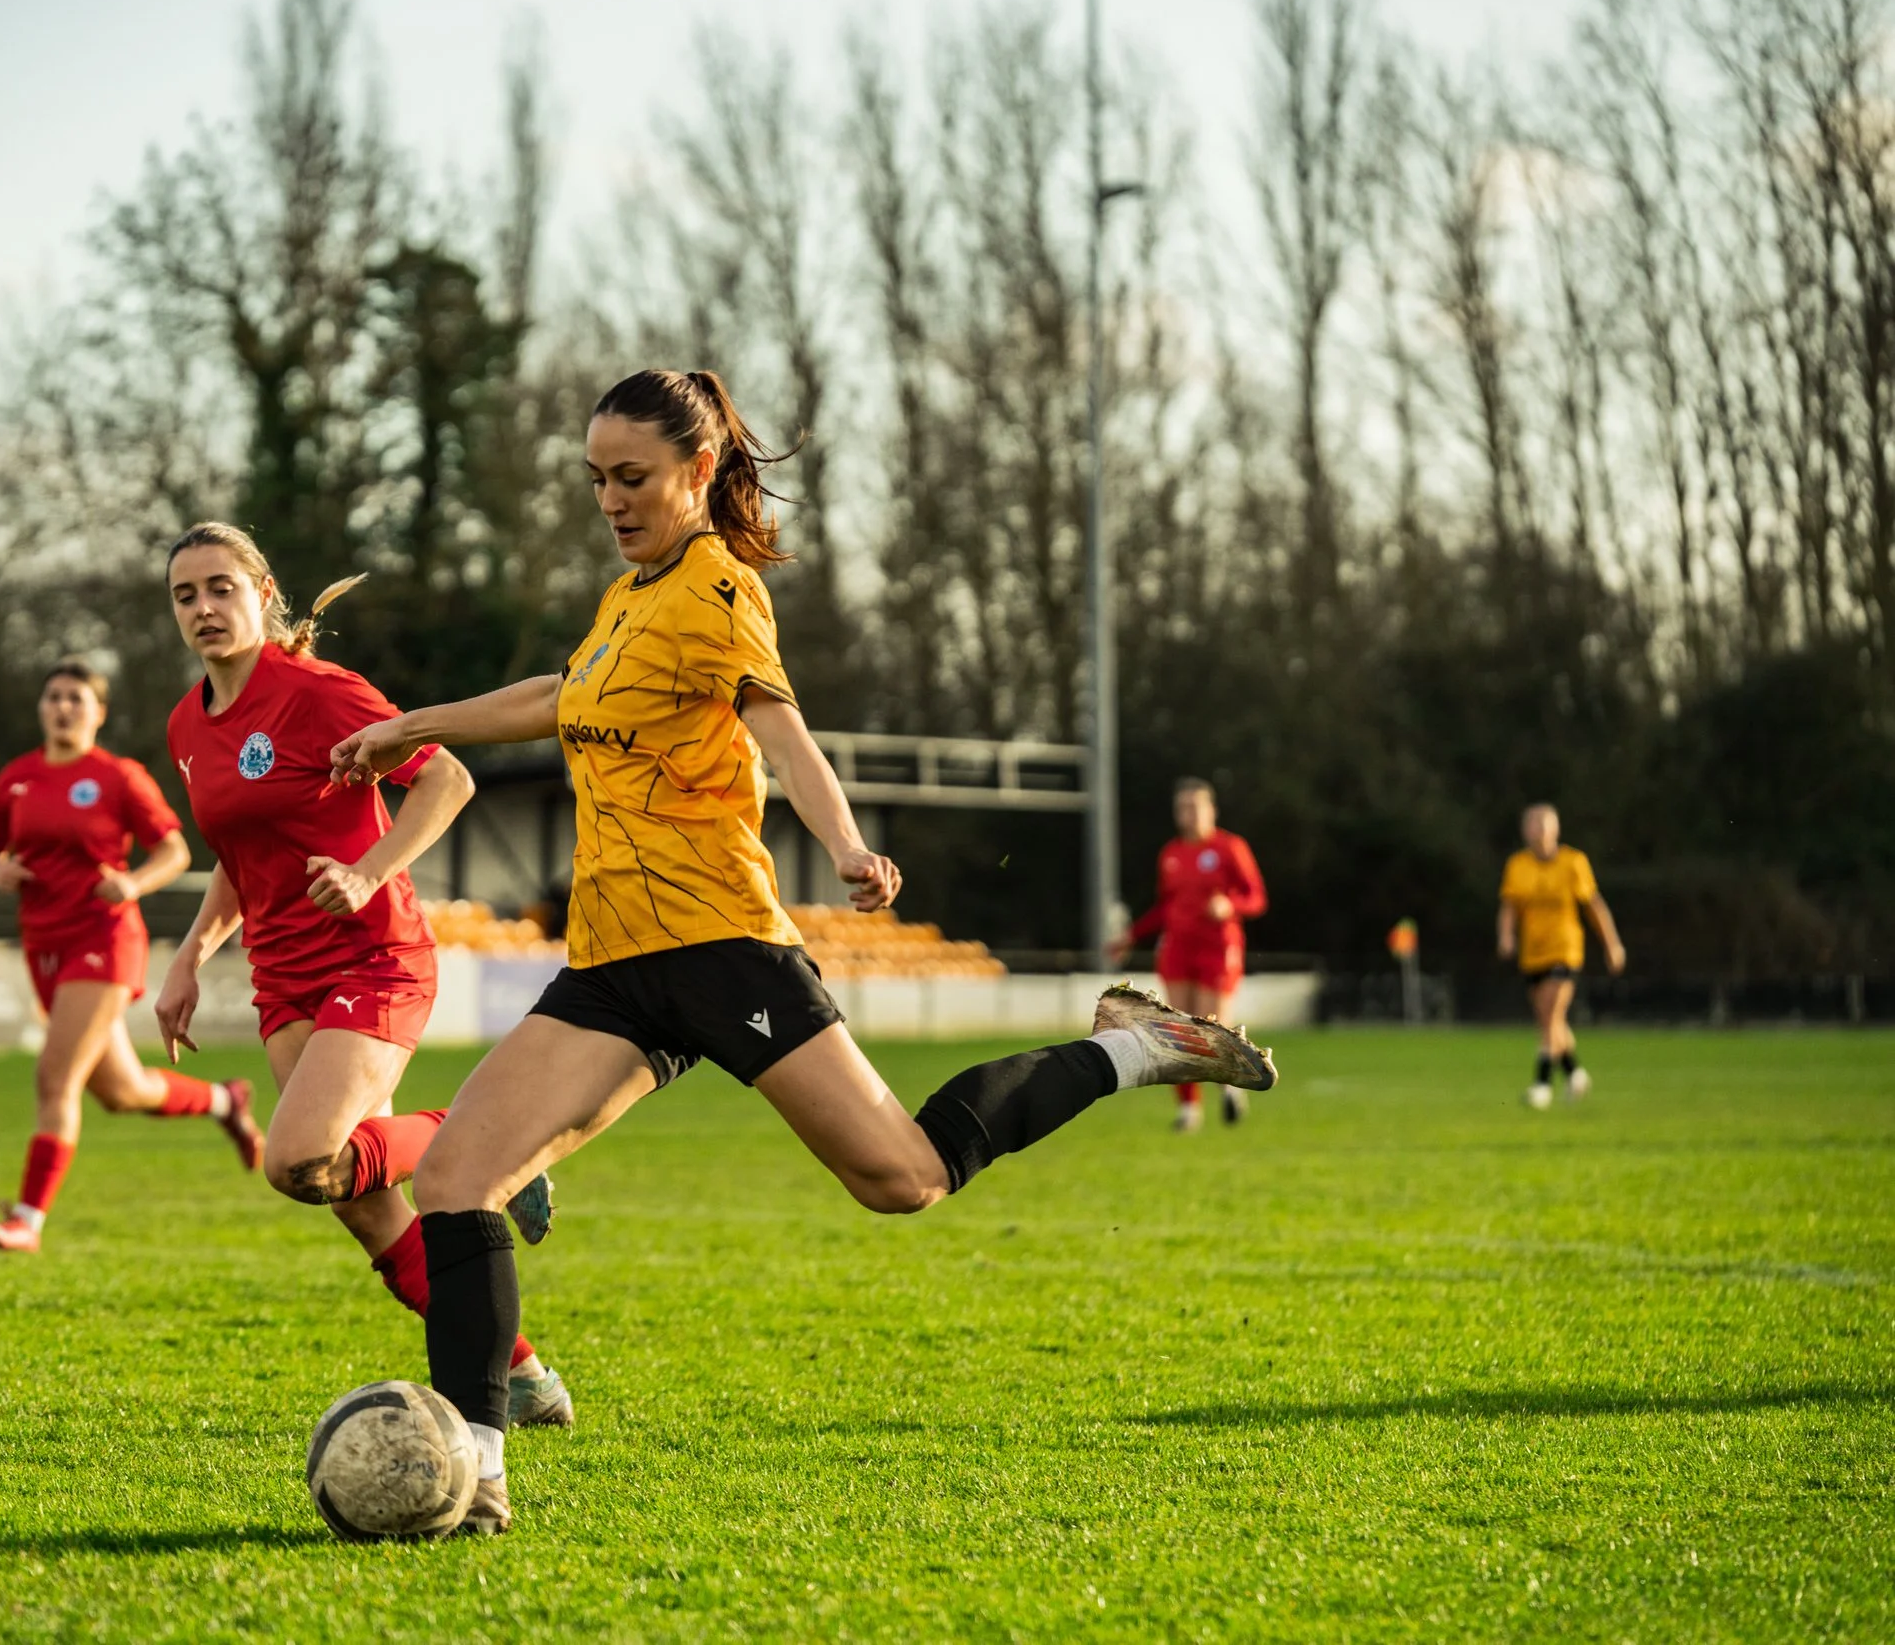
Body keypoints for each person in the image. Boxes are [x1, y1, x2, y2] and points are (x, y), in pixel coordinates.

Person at [327, 369, 1275, 1534]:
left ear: (699, 470)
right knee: (456, 1177)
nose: (610, 500)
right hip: (615, 964)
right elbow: (560, 694)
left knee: (903, 1178)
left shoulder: (719, 589)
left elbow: (782, 727)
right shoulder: (628, 598)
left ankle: (1132, 1047)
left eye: (631, 478)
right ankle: (475, 1469)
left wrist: (847, 844)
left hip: (727, 948)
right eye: (595, 481)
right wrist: (410, 725)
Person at [152, 524, 574, 1431]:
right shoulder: (188, 726)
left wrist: (369, 869)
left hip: (374, 956)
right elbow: (239, 854)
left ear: (262, 593)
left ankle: (478, 1134)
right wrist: (189, 956)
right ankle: (525, 1374)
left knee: (296, 1158)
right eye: (186, 595)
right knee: (350, 1194)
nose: (203, 609)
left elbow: (448, 780)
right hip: (283, 980)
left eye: (220, 588)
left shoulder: (318, 693)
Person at [0, 657, 262, 1253]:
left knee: (55, 1078)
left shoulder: (117, 777)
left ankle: (27, 1219)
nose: (63, 707)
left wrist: (132, 884)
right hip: (44, 946)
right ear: (41, 708)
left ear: (99, 713)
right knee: (121, 1091)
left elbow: (174, 850)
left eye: (77, 698)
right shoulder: (17, 778)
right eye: (54, 696)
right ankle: (223, 1100)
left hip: (103, 942)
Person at [1107, 778, 1269, 1132]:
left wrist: (1230, 905)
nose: (1189, 814)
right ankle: (1189, 1111)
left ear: (1211, 810)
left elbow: (1256, 897)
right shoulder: (1172, 854)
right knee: (1179, 1029)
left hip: (1218, 946)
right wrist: (1130, 937)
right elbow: (1166, 907)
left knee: (1214, 1025)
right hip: (1178, 948)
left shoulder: (1230, 847)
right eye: (1182, 807)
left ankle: (1230, 1087)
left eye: (1195, 806)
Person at [1498, 803, 1625, 1106]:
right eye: (1534, 824)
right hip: (1533, 952)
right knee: (1549, 1021)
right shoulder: (1517, 865)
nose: (1540, 831)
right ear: (1524, 831)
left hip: (1565, 949)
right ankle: (1575, 1073)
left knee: (1552, 1012)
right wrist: (1505, 935)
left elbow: (1593, 905)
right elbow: (1509, 907)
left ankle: (1541, 1084)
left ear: (1556, 829)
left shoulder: (1573, 862)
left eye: (1545, 824)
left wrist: (1612, 944)